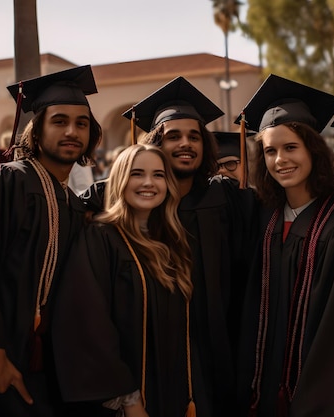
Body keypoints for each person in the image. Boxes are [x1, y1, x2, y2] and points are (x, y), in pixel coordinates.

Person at [0, 65, 102, 416]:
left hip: (53, 369)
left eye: (81, 123)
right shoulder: (2, 183)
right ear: (36, 131)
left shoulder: (73, 203)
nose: (72, 131)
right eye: (59, 121)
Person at [235, 74, 334, 416]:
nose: (281, 159)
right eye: (270, 151)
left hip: (315, 390)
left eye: (291, 147)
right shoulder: (264, 216)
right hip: (260, 384)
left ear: (313, 148)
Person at [120, 76, 257, 417]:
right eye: (174, 136)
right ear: (155, 145)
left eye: (194, 136)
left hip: (220, 354)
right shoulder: (135, 202)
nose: (186, 144)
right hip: (155, 358)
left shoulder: (227, 199)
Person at [52, 144, 194, 417]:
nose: (148, 183)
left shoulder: (170, 244)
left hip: (168, 392)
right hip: (125, 401)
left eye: (159, 175)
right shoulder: (101, 238)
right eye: (137, 174)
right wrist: (129, 400)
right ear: (119, 181)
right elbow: (89, 323)